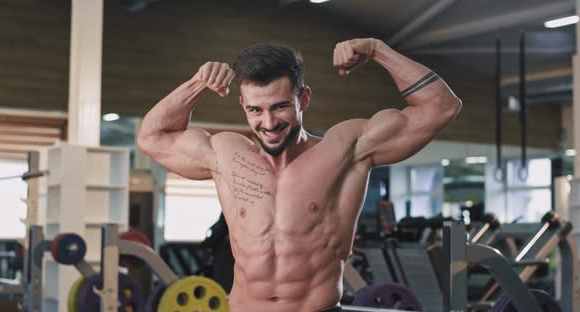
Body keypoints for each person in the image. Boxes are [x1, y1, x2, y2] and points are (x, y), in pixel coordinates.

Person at [138, 37, 461, 312]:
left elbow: (440, 107)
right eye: (255, 110)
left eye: (279, 107)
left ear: (303, 99)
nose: (268, 123)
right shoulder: (225, 154)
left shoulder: (346, 149)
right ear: (242, 105)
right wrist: (198, 84)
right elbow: (151, 137)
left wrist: (377, 50)